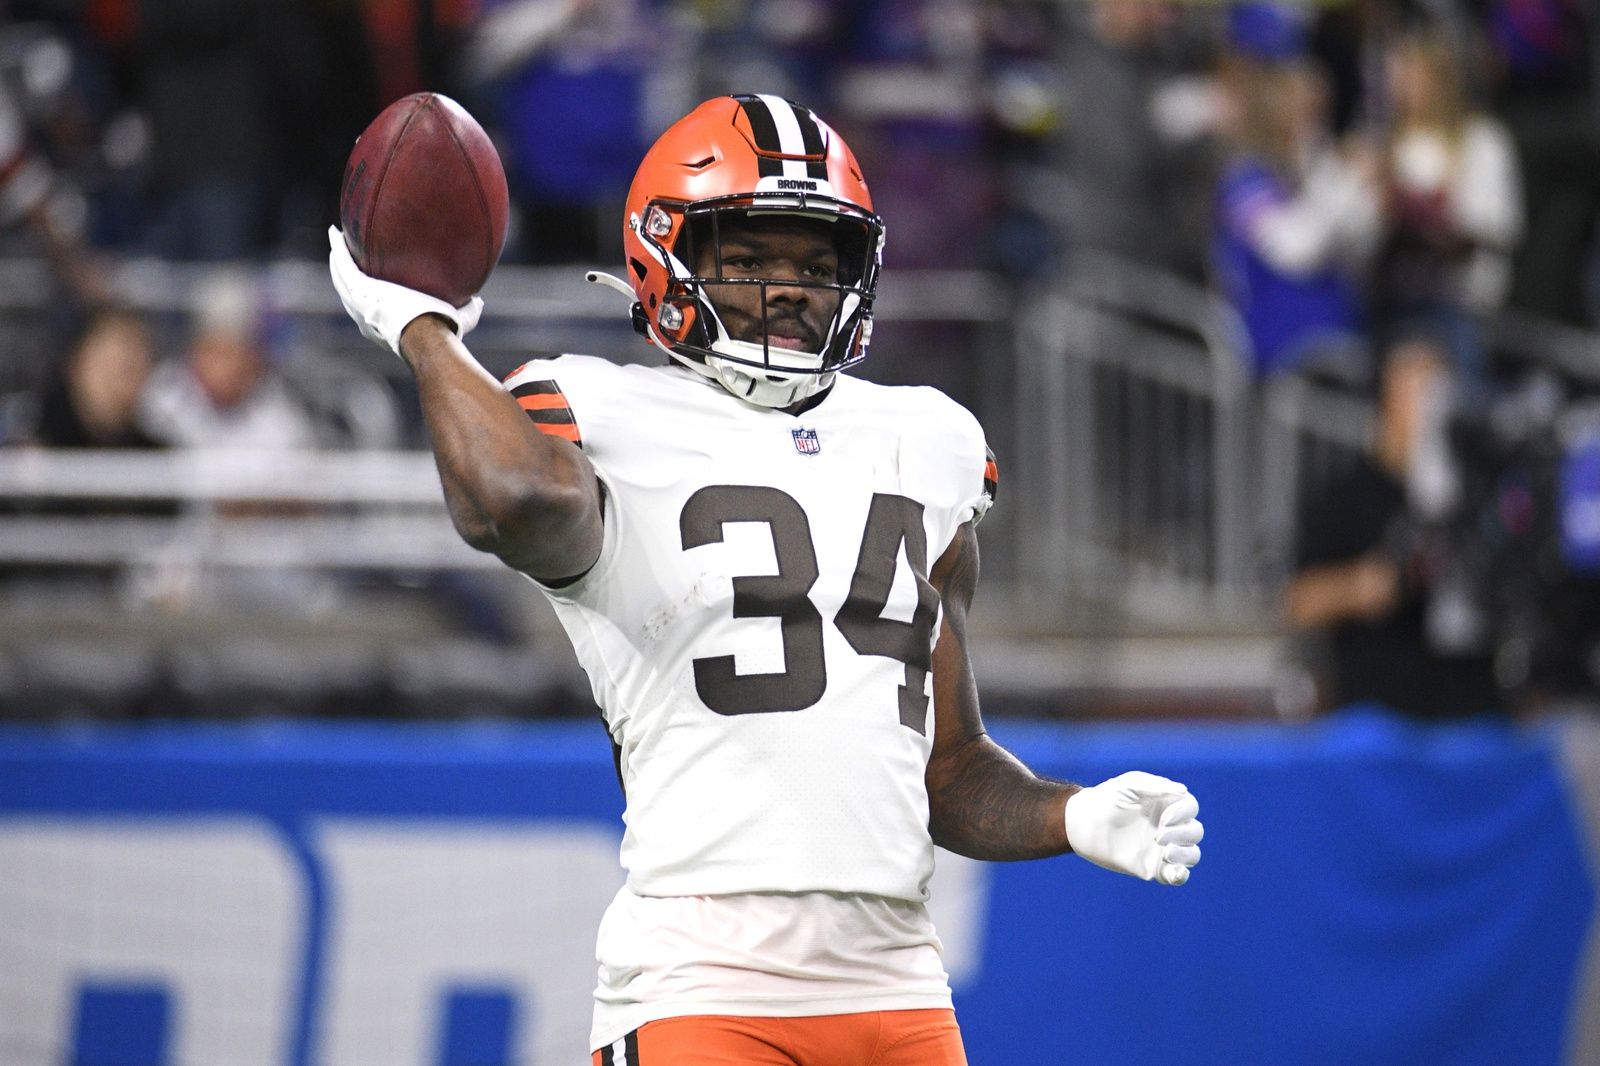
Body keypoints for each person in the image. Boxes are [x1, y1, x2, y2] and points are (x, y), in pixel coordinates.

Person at [329, 94, 1204, 1063]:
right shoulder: (597, 408)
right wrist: (424, 328)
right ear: (667, 257)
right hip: (702, 976)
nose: (788, 288)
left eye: (814, 263)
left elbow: (945, 769)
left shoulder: (930, 439)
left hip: (899, 979)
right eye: (748, 259)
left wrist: (1066, 811)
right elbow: (511, 500)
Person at [1285, 338, 1502, 719]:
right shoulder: (1347, 493)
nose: (1431, 407)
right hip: (1379, 716)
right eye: (1418, 392)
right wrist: (1362, 586)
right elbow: (1298, 601)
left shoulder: (1478, 490)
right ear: (1387, 399)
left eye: (1439, 392)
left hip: (1467, 712)